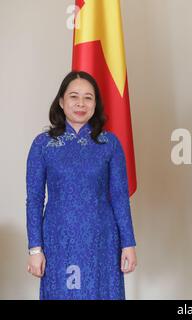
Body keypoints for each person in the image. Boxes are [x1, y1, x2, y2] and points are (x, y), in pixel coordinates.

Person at [26, 71, 137, 300]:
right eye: (74, 96)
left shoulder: (109, 143)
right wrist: (35, 249)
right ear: (61, 101)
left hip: (102, 241)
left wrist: (128, 243)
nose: (80, 103)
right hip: (59, 240)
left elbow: (119, 196)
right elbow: (35, 200)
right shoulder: (43, 145)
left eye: (88, 97)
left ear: (96, 104)